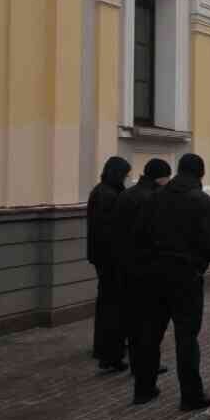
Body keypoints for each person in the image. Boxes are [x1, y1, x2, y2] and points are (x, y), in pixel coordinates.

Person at [136, 153, 210, 410]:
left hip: (154, 274)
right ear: (200, 174)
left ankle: (143, 389)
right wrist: (199, 264)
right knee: (187, 337)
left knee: (150, 333)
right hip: (187, 276)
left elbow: (139, 235)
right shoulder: (204, 203)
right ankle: (190, 396)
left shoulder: (154, 198)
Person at [114, 158, 172, 387]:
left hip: (124, 266)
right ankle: (146, 368)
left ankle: (138, 364)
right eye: (167, 177)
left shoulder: (126, 195)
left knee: (132, 319)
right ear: (161, 177)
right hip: (147, 270)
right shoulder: (153, 199)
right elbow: (154, 235)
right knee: (148, 325)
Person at [87, 156, 132, 371]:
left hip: (102, 256)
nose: (126, 178)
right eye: (125, 174)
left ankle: (103, 346)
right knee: (113, 304)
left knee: (106, 301)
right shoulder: (109, 195)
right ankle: (109, 350)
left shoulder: (100, 190)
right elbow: (113, 230)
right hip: (112, 258)